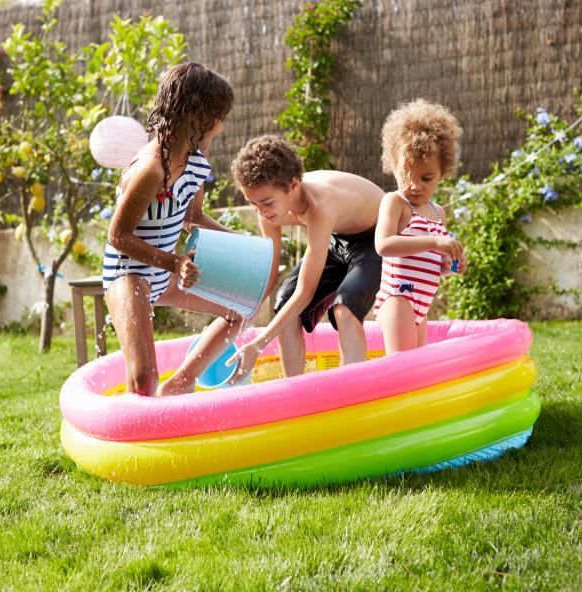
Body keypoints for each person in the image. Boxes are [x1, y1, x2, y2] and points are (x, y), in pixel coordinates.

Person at [103, 63, 240, 396]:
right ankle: (135, 441)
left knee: (237, 313)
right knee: (143, 377)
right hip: (128, 273)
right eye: (220, 116)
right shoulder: (150, 169)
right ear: (199, 117)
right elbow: (118, 237)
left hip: (164, 273)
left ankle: (181, 383)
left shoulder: (197, 163)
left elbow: (192, 217)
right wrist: (175, 263)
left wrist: (240, 243)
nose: (221, 126)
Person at [227, 135, 384, 381]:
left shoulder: (321, 204)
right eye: (253, 204)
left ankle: (349, 393)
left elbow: (306, 292)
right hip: (336, 236)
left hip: (375, 237)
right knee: (283, 306)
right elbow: (271, 273)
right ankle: (295, 392)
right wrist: (245, 314)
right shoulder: (266, 211)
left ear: (293, 185)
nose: (261, 212)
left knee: (345, 307)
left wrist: (258, 343)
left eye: (267, 202)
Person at [372, 99, 467, 353]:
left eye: (426, 178)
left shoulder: (438, 213)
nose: (415, 185)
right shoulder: (395, 202)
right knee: (403, 365)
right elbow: (383, 245)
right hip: (398, 297)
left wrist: (450, 265)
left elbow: (432, 264)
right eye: (406, 175)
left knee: (416, 364)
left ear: (442, 173)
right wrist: (435, 241)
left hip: (422, 303)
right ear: (393, 166)